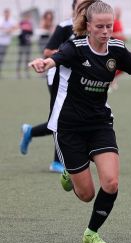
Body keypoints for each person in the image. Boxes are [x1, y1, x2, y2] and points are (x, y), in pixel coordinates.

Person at [28, 0, 131, 243]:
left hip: (99, 124)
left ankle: (91, 233)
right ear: (88, 25)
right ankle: (70, 172)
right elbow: (55, 59)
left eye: (109, 26)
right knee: (86, 194)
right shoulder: (75, 46)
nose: (106, 32)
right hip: (68, 126)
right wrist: (44, 64)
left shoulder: (116, 50)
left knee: (111, 182)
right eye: (100, 27)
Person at [20, 0, 82, 173]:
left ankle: (30, 132)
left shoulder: (91, 27)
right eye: (82, 5)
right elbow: (47, 51)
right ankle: (57, 162)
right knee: (61, 117)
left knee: (68, 118)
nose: (86, 8)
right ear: (74, 7)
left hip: (76, 79)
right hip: (56, 76)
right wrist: (68, 55)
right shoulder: (64, 26)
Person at [0, 8, 17, 78]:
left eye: (8, 13)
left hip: (6, 42)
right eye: (6, 13)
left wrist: (10, 29)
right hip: (0, 41)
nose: (7, 15)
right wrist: (6, 30)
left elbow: (16, 27)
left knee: (2, 58)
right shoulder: (1, 19)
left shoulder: (11, 20)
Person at [17, 12, 33, 79]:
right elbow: (18, 33)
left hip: (28, 44)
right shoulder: (21, 23)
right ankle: (18, 73)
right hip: (21, 44)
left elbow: (32, 33)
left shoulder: (30, 24)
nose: (27, 18)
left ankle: (27, 73)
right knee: (20, 59)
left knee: (27, 59)